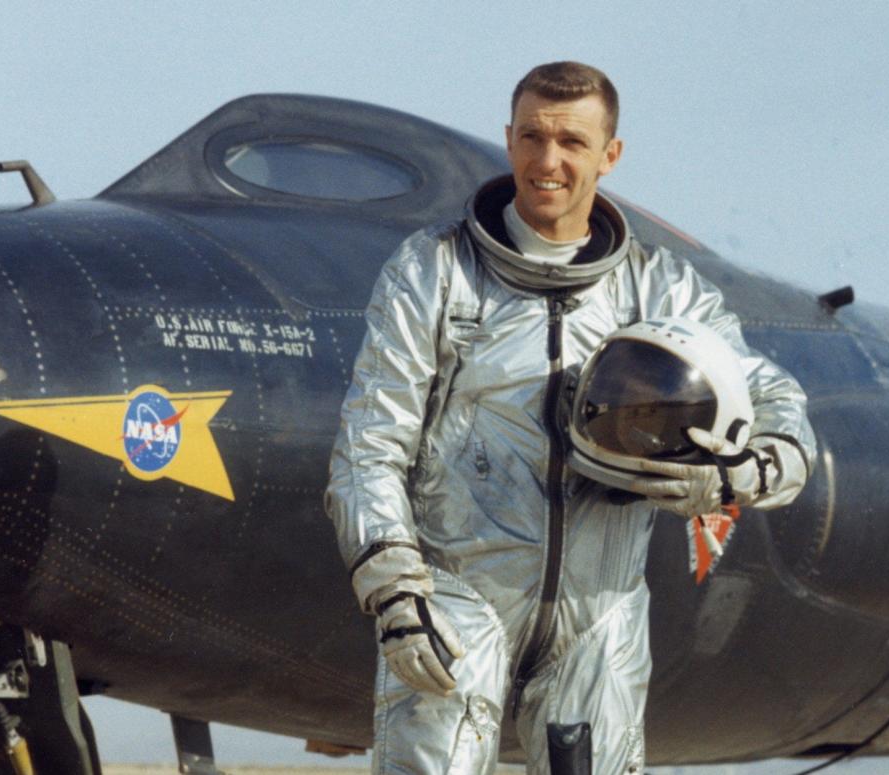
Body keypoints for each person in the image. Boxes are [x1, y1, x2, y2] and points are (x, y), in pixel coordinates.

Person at [325, 61, 816, 775]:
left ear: (609, 155)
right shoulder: (437, 272)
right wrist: (395, 590)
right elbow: (369, 446)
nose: (547, 161)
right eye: (531, 137)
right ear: (509, 140)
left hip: (600, 614)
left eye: (572, 142)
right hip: (456, 600)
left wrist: (737, 475)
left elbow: (777, 402)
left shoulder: (659, 288)